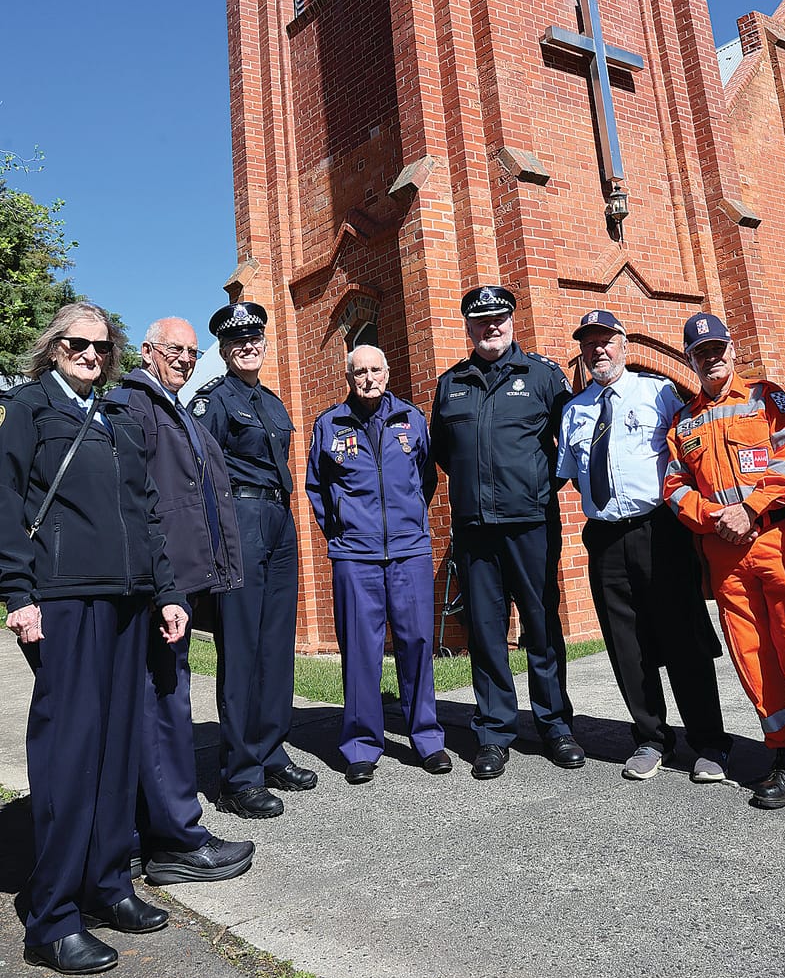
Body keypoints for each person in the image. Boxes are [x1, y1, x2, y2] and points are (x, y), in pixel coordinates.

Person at [0, 304, 189, 975]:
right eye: (78, 344)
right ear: (54, 347)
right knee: (70, 752)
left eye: (102, 347)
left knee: (116, 749)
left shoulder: (115, 416)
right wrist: (18, 594)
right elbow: (5, 501)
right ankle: (52, 918)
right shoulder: (29, 409)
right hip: (65, 599)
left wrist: (167, 590)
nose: (90, 354)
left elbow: (145, 511)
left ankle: (108, 886)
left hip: (128, 601)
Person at [663, 312, 785, 824]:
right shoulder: (683, 422)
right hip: (724, 550)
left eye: (717, 348)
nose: (712, 357)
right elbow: (674, 487)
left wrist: (749, 509)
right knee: (750, 652)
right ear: (690, 360)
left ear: (732, 349)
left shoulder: (765, 398)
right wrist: (716, 518)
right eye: (701, 352)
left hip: (775, 537)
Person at [110, 318, 254, 882]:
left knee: (162, 701)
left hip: (180, 581)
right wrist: (161, 583)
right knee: (163, 707)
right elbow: (135, 501)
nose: (186, 359)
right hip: (158, 585)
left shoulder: (174, 409)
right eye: (176, 349)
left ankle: (147, 835)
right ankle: (175, 840)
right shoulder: (135, 404)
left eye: (194, 353)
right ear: (148, 350)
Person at [557, 310, 729, 782]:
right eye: (589, 344)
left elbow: (689, 452)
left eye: (606, 341)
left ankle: (709, 743)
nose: (599, 350)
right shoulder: (575, 411)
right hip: (606, 537)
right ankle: (652, 737)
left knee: (683, 638)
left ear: (624, 344)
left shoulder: (659, 393)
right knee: (625, 643)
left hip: (661, 530)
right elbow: (572, 474)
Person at [430, 285, 583, 779]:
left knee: (541, 626)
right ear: (468, 327)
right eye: (481, 321)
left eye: (498, 318)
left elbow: (571, 442)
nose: (491, 327)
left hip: (531, 525)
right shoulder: (451, 384)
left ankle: (555, 726)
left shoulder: (543, 376)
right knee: (486, 632)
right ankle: (494, 732)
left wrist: (538, 488)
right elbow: (443, 451)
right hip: (475, 531)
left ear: (512, 320)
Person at [192, 302, 316, 818]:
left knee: (275, 645)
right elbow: (198, 473)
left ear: (264, 343)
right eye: (237, 341)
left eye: (254, 338)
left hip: (279, 519)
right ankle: (239, 775)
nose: (248, 346)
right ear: (224, 350)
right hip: (239, 520)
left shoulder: (272, 401)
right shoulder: (213, 401)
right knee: (242, 649)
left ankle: (271, 752)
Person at [306, 344, 451, 783]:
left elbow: (425, 477)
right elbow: (317, 487)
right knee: (359, 651)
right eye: (359, 372)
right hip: (355, 556)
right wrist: (344, 531)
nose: (368, 378)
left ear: (387, 374)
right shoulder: (329, 425)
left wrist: (408, 522)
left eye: (375, 370)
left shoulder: (412, 419)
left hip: (409, 551)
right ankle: (361, 746)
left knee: (417, 644)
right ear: (348, 378)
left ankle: (427, 739)